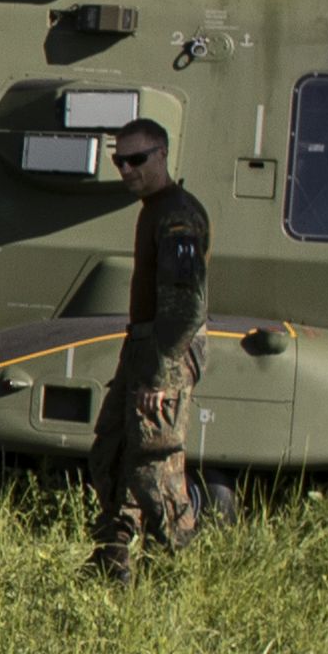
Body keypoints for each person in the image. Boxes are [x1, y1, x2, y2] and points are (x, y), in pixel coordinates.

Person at [85, 118, 208, 580]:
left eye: (136, 159)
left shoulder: (178, 215)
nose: (127, 169)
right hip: (144, 347)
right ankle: (112, 562)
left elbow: (185, 307)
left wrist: (159, 376)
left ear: (162, 154)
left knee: (155, 467)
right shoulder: (153, 209)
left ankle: (182, 569)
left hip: (166, 354)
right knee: (112, 452)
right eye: (119, 160)